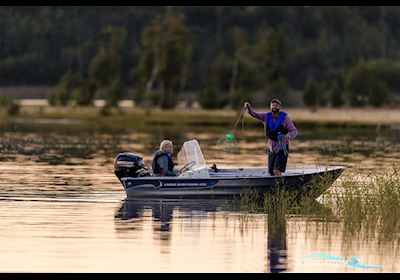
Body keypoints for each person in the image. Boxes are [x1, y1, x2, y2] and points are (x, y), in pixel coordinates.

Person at [244, 98, 297, 176]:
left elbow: (294, 131)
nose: (274, 107)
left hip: (282, 147)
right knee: (271, 172)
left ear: (280, 107)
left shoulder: (285, 118)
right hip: (271, 147)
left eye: (276, 105)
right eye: (273, 105)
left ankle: (280, 186)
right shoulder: (265, 116)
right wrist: (249, 107)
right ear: (270, 107)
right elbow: (254, 114)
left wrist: (288, 136)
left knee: (277, 170)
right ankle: (273, 187)